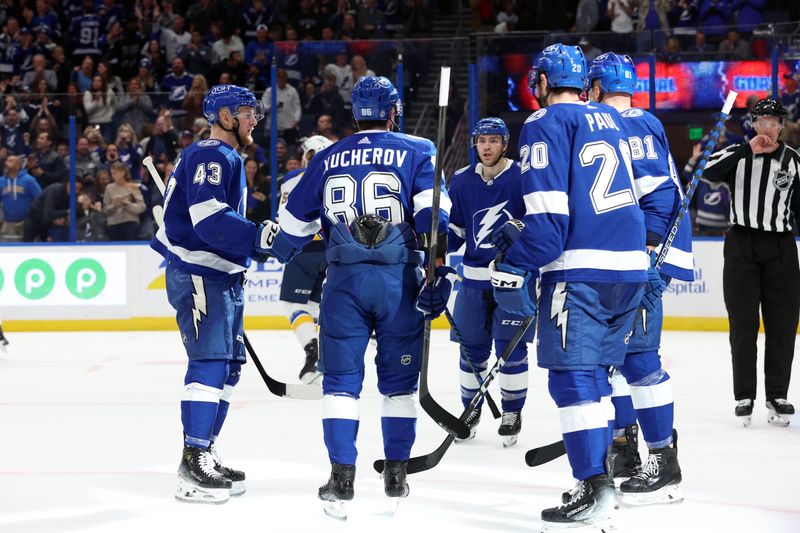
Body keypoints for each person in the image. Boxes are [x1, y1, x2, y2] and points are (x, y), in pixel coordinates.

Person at [264, 76, 450, 516]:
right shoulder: (419, 148)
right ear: (393, 111)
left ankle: (341, 478)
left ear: (355, 115)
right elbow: (435, 220)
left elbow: (289, 236)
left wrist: (266, 244)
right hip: (399, 281)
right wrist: (439, 272)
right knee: (399, 386)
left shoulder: (327, 156)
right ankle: (396, 475)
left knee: (341, 384)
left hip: (343, 284)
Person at [488, 44, 647, 528]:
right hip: (631, 269)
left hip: (580, 272)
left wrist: (515, 262)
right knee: (600, 377)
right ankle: (604, 471)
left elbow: (550, 222)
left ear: (541, 82)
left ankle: (594, 489)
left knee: (573, 379)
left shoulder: (543, 124)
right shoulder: (614, 120)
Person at [150, 84, 270, 504]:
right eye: (246, 111)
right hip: (201, 276)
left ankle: (204, 451)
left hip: (220, 277)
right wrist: (260, 237)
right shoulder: (211, 155)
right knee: (209, 362)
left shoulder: (225, 157)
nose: (254, 118)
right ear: (224, 117)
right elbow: (208, 220)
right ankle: (193, 461)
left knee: (228, 368)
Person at [588, 52, 693, 505]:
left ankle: (663, 460)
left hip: (643, 258)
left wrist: (647, 252)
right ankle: (625, 445)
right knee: (613, 357)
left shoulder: (632, 122)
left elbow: (659, 195)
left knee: (638, 358)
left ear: (594, 87)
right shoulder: (620, 121)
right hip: (625, 258)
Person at [702, 98, 800, 428]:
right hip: (742, 244)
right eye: (764, 122)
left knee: (783, 325)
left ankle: (777, 394)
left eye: (775, 122)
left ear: (782, 127)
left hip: (781, 248)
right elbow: (705, 170)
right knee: (743, 324)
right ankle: (745, 395)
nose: (770, 128)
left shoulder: (794, 161)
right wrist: (747, 149)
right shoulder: (737, 156)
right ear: (753, 125)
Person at [446, 117, 533, 447]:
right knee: (471, 353)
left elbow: (540, 218)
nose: (487, 147)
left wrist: (522, 228)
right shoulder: (461, 181)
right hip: (472, 283)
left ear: (504, 144)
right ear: (474, 143)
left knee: (511, 350)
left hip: (512, 280)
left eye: (494, 141)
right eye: (482, 140)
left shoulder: (523, 177)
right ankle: (471, 409)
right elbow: (454, 231)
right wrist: (435, 249)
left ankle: (512, 411)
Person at [277, 135, 333, 384]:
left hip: (303, 250)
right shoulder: (340, 176)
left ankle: (313, 352)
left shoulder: (292, 180)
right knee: (315, 306)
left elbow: (284, 219)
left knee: (293, 304)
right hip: (333, 251)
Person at [0, 155, 42, 240]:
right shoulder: (1, 181)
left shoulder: (29, 180)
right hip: (8, 222)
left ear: (18, 165)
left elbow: (40, 198)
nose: (6, 163)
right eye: (6, 161)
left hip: (26, 222)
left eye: (10, 161)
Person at [102, 161, 145, 241]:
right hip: (114, 224)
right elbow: (105, 210)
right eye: (112, 173)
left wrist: (126, 204)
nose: (113, 176)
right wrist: (115, 205)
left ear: (122, 173)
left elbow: (141, 207)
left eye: (115, 173)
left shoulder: (133, 187)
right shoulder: (109, 188)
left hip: (130, 222)